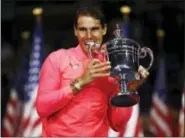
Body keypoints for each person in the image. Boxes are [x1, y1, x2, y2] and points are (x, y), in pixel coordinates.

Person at [36, 7, 149, 136]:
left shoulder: (111, 66)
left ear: (104, 30)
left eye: (94, 29)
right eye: (83, 29)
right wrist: (80, 82)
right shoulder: (57, 59)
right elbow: (42, 108)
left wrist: (128, 89)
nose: (89, 36)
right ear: (75, 31)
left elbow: (117, 124)